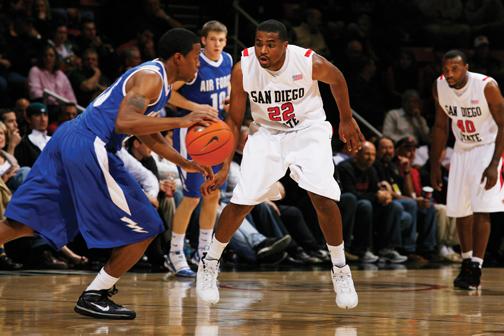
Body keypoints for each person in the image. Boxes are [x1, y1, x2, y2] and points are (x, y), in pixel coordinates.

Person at [0, 28, 218, 320]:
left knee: (25, 224)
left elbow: (148, 134)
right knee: (149, 224)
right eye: (196, 57)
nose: (199, 64)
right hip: (92, 144)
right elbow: (126, 120)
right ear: (178, 57)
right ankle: (95, 294)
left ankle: (96, 293)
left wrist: (185, 162)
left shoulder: (160, 82)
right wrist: (183, 121)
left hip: (70, 140)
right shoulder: (151, 78)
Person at [196, 20, 364, 309]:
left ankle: (340, 269)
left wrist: (346, 119)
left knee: (323, 197)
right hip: (266, 134)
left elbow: (337, 78)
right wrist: (224, 165)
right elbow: (234, 120)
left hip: (307, 130)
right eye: (259, 42)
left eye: (271, 44)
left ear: (285, 46)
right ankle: (209, 263)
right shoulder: (243, 68)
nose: (263, 49)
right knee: (242, 200)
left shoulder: (307, 61)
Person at [431, 50, 504, 290]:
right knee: (460, 209)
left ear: (466, 68)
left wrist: (494, 164)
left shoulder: (486, 86)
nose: (449, 74)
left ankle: (476, 266)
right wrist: (434, 164)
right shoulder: (440, 86)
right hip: (462, 148)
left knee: (482, 208)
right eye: (446, 69)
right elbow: (441, 126)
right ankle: (466, 261)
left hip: (487, 147)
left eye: (455, 69)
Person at [166, 21, 232, 277]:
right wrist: (195, 107)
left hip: (217, 133)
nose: (217, 44)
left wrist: (230, 98)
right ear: (203, 40)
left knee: (212, 194)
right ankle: (174, 254)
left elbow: (228, 91)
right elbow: (168, 93)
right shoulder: (195, 63)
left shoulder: (227, 60)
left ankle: (203, 252)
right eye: (213, 39)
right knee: (192, 197)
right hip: (192, 134)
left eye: (222, 40)